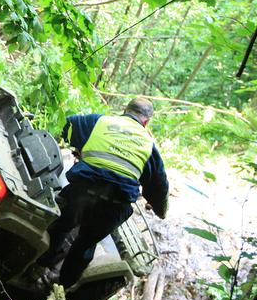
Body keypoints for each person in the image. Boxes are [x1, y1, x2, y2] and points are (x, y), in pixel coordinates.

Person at [36, 97, 169, 290]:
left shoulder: (99, 121)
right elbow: (160, 190)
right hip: (114, 206)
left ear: (125, 110)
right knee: (85, 246)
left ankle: (40, 266)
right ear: (146, 122)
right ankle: (61, 288)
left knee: (59, 226)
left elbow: (66, 126)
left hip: (81, 191)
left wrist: (80, 149)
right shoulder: (149, 146)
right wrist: (160, 210)